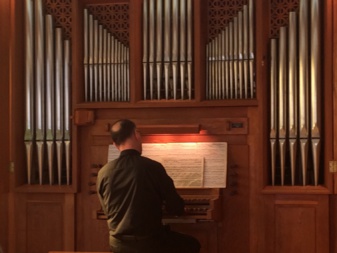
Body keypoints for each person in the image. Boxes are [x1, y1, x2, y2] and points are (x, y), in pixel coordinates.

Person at [97, 119, 201, 253]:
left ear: (115, 144)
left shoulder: (104, 172)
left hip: (118, 244)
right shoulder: (153, 167)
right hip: (150, 243)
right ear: (137, 135)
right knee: (192, 244)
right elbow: (175, 207)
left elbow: (107, 210)